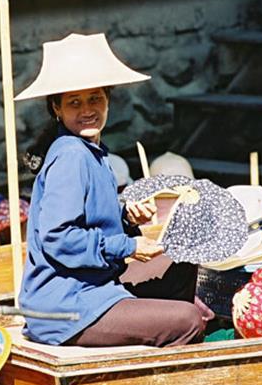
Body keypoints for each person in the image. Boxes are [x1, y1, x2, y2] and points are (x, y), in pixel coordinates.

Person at [16, 33, 204, 347]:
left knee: (181, 259)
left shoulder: (91, 151)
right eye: (74, 102)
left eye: (95, 98)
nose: (87, 109)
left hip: (93, 285)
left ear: (108, 99)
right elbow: (58, 237)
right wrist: (127, 246)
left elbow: (87, 214)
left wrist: (126, 215)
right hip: (64, 306)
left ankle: (150, 339)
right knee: (189, 320)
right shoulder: (71, 156)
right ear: (56, 109)